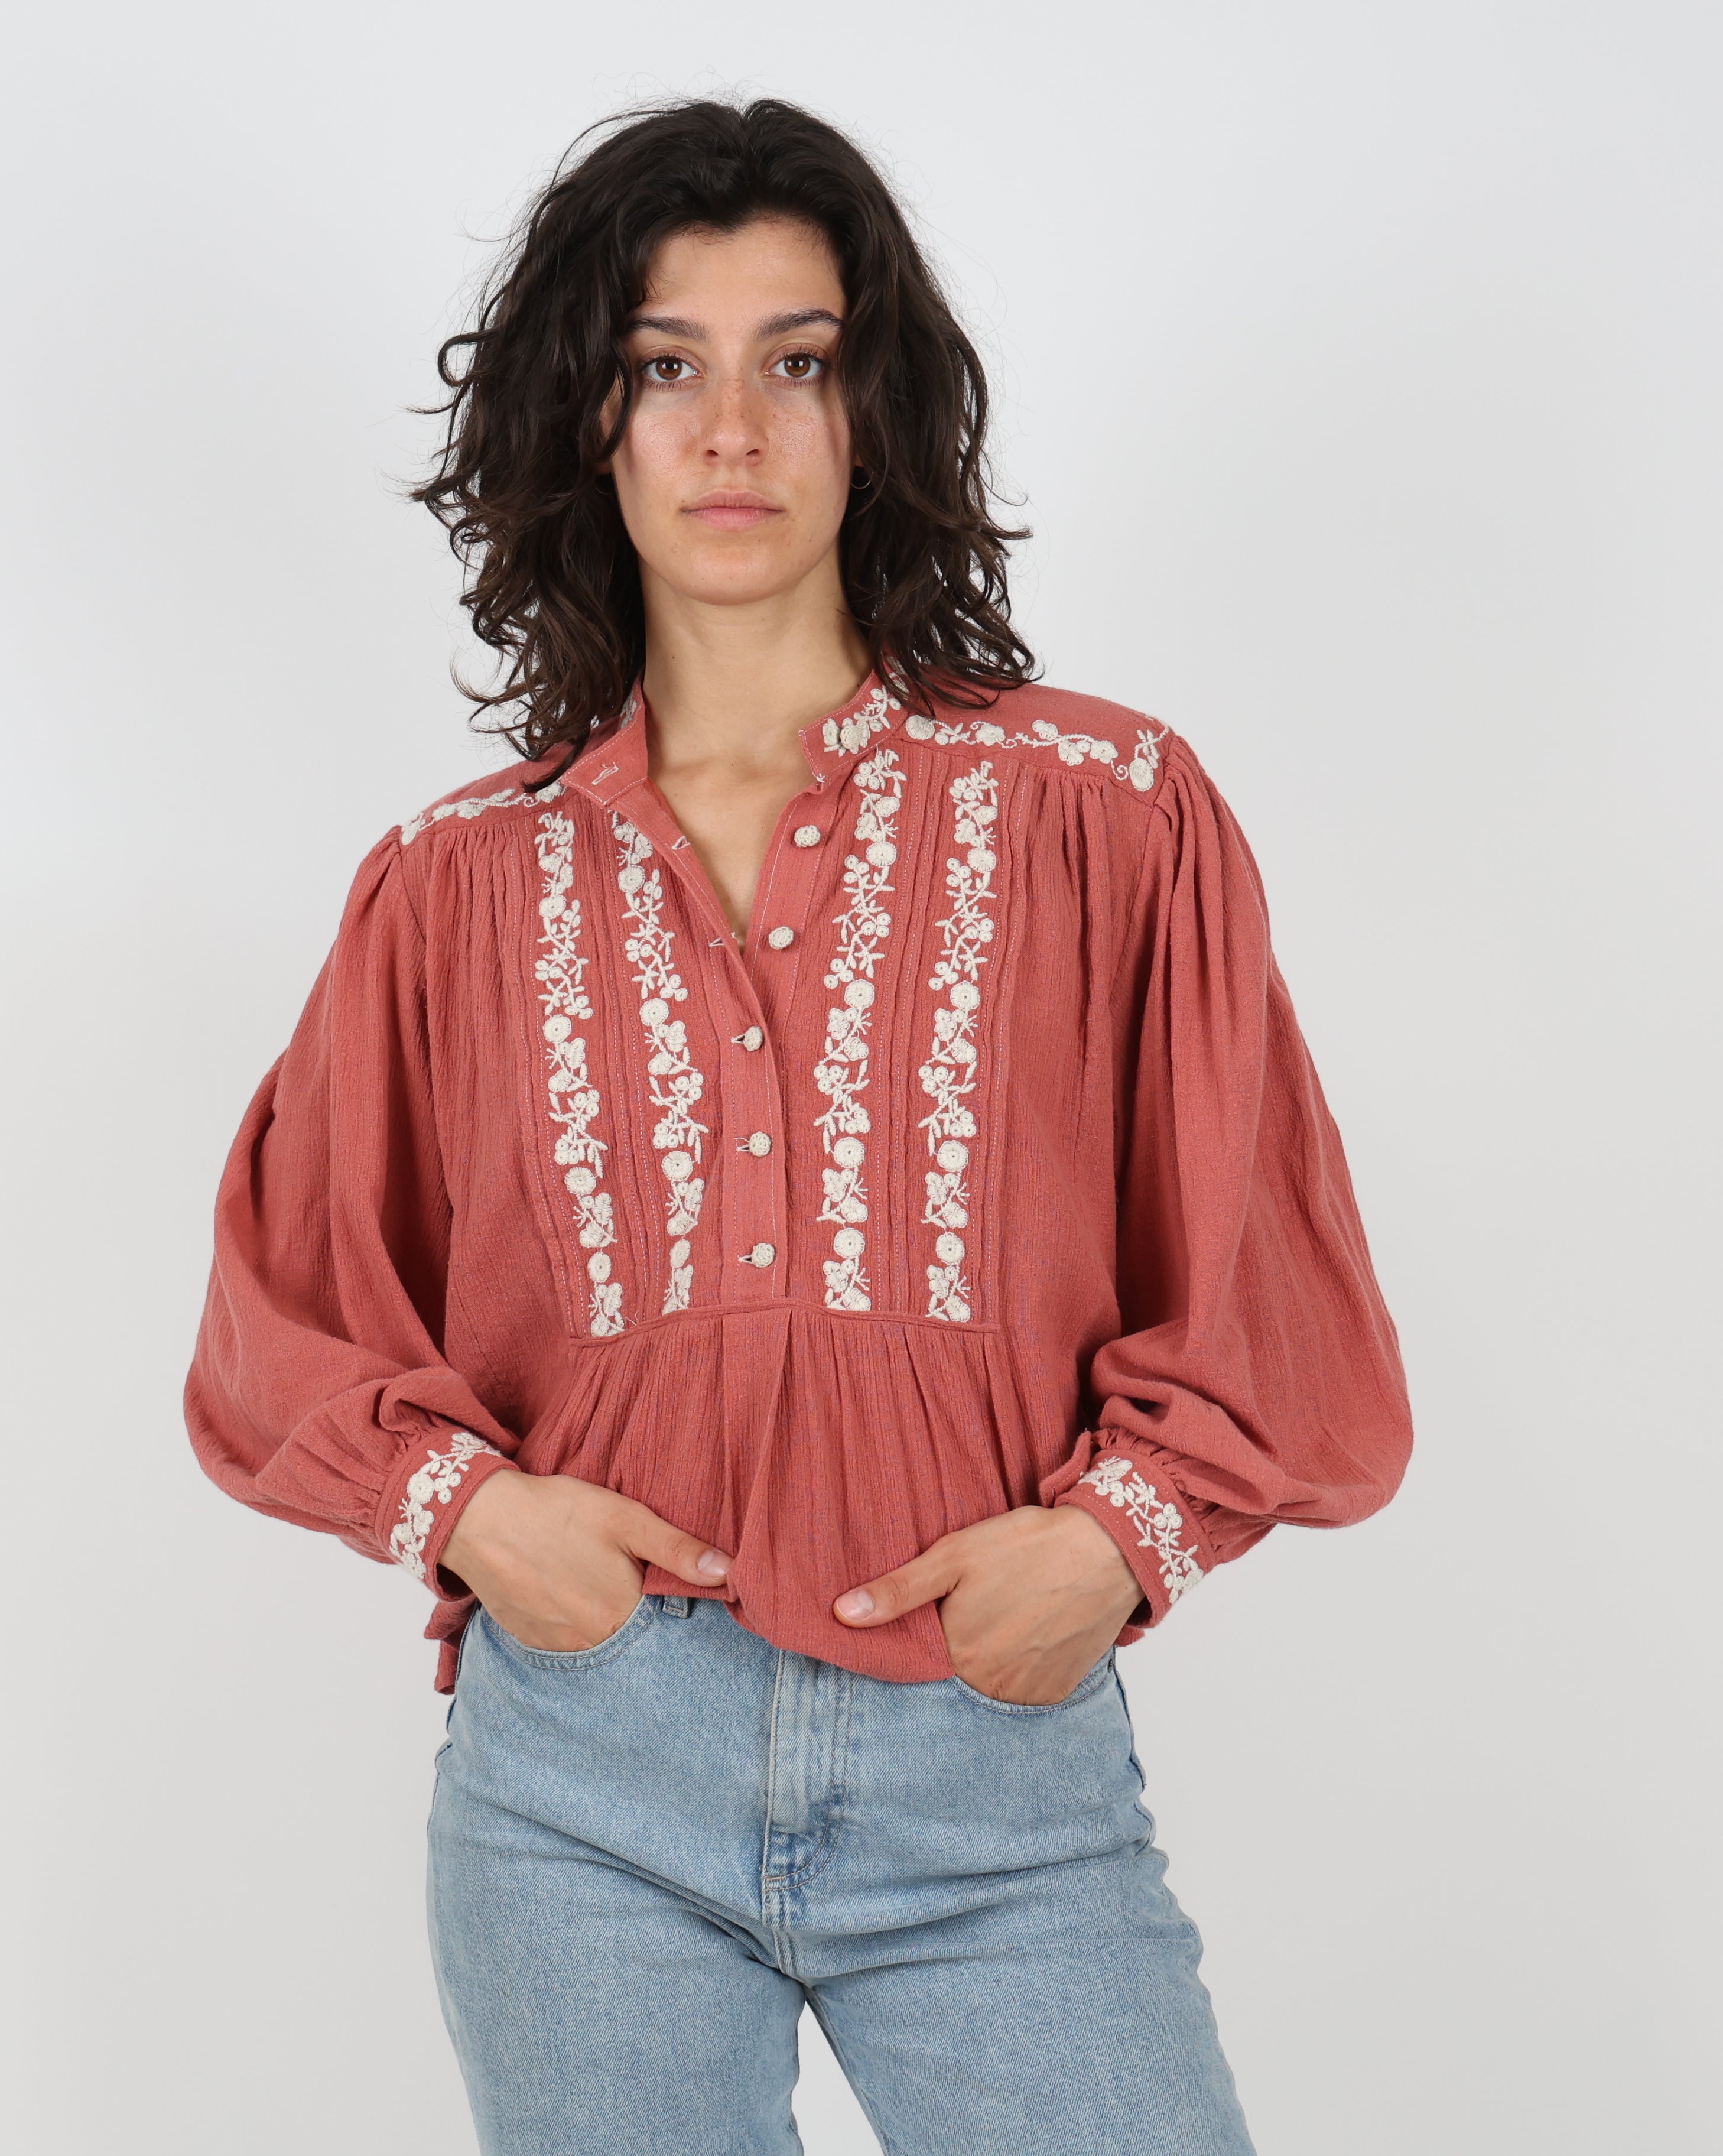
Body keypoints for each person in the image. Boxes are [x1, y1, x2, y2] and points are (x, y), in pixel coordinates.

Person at [184, 96, 1411, 2156]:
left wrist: (1115, 1546)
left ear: (877, 410)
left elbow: (1272, 1276)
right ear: (591, 421)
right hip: (582, 1787)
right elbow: (276, 1314)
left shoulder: (1107, 815)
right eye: (668, 365)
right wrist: (479, 1521)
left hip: (996, 1776)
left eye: (800, 361)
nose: (734, 429)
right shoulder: (455, 882)